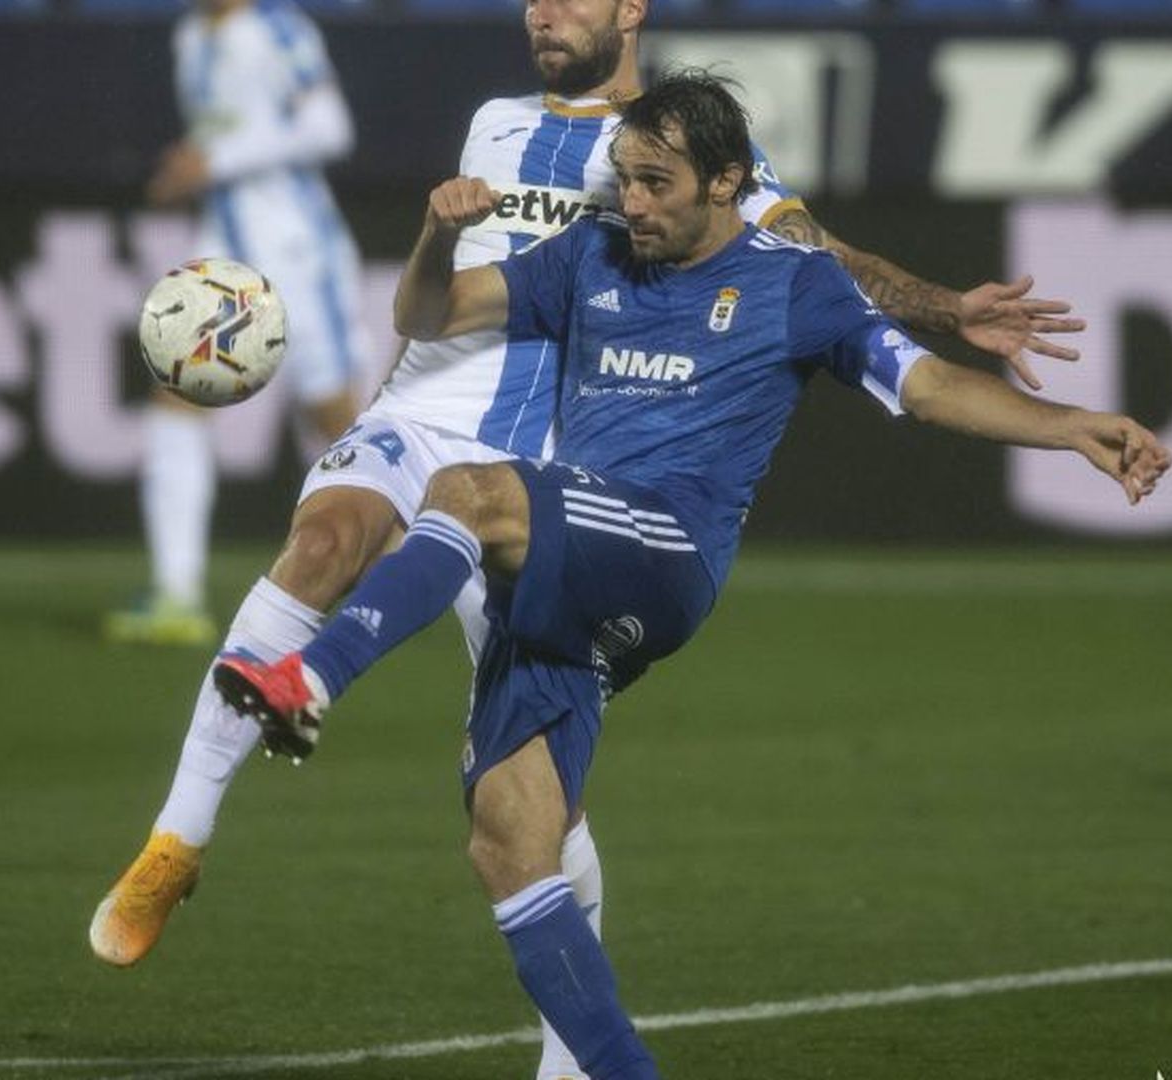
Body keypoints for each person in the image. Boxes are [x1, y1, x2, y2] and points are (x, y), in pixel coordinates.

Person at [91, 0, 1081, 1074]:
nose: (544, 13)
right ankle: (175, 844)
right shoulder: (494, 123)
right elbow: (441, 293)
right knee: (323, 544)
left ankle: (574, 1063)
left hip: (536, 467)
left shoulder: (667, 157)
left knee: (525, 801)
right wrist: (437, 231)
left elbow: (821, 256)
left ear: (631, 9)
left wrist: (944, 309)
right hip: (424, 413)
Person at [104, 0, 368, 647]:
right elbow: (230, 134)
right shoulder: (192, 33)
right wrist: (194, 164)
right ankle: (176, 594)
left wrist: (214, 160)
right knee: (175, 396)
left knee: (339, 428)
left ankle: (430, 575)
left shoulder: (277, 27)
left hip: (299, 252)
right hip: (227, 258)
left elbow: (330, 126)